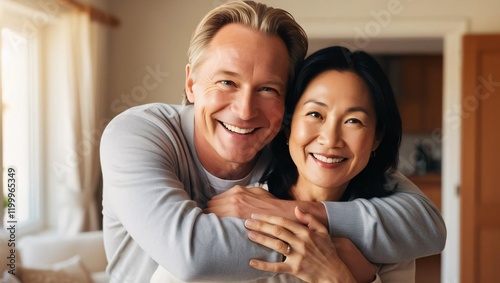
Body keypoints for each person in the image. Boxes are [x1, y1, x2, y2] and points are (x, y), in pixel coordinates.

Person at [100, 1, 446, 282]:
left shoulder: (291, 152)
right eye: (226, 82)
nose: (245, 110)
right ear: (191, 83)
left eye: (268, 89)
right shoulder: (140, 135)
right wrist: (327, 254)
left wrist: (287, 213)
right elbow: (192, 256)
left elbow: (426, 225)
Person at [241, 46, 418, 282]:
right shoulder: (242, 211)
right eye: (315, 114)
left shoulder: (389, 235)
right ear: (288, 125)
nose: (330, 139)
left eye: (353, 120)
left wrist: (336, 275)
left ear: (377, 138)